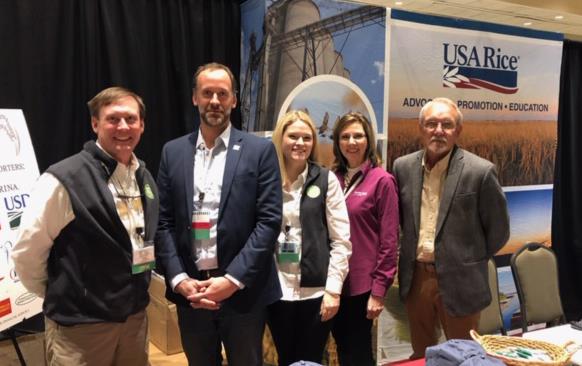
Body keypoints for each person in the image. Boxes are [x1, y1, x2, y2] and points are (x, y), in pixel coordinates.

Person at [12, 87, 158, 366]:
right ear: (95, 123)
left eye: (131, 119)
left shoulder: (145, 177)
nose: (123, 127)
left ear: (142, 124)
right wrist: (64, 292)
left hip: (134, 322)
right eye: (113, 119)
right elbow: (27, 253)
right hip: (81, 329)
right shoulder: (63, 179)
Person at [155, 62, 282, 366]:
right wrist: (178, 279)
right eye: (207, 93)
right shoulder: (172, 152)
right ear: (194, 97)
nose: (215, 101)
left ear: (234, 100)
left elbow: (268, 222)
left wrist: (233, 279)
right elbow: (162, 223)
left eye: (222, 94)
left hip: (242, 294)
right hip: (192, 293)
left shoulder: (259, 151)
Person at [393, 97, 510, 359]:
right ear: (420, 128)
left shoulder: (480, 171)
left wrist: (466, 259)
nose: (438, 131)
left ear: (458, 130)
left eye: (447, 124)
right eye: (432, 123)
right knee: (422, 355)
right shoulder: (403, 167)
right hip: (417, 280)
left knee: (464, 357)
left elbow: (499, 231)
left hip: (461, 281)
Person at [267, 110, 351, 366]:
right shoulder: (265, 179)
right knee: (285, 358)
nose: (300, 143)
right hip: (276, 290)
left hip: (315, 293)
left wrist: (333, 292)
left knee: (311, 360)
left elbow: (341, 241)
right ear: (280, 138)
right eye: (293, 136)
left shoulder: (326, 180)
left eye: (307, 137)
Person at [331, 112, 399, 366]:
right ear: (337, 142)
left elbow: (389, 241)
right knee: (337, 348)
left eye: (358, 136)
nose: (351, 142)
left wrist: (379, 291)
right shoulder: (331, 178)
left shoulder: (382, 181)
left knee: (356, 354)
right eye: (345, 136)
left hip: (361, 286)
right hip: (331, 281)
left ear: (368, 140)